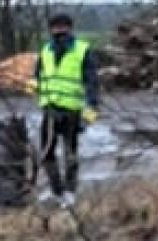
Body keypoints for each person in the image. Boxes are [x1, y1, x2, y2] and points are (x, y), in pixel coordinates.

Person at [26, 14, 100, 207]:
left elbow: (92, 82)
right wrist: (32, 86)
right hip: (50, 109)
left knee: (70, 153)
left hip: (71, 111)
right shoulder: (46, 50)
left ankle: (70, 191)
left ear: (70, 28)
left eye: (62, 27)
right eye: (56, 27)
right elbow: (38, 74)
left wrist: (91, 110)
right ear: (51, 30)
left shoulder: (82, 50)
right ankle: (56, 190)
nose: (59, 31)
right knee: (47, 153)